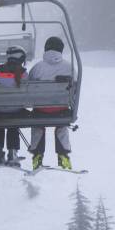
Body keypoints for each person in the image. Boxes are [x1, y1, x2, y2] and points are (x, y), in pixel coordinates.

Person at [27, 36, 74, 170]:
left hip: (41, 110)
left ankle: (37, 156)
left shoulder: (37, 68)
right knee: (61, 126)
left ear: (46, 49)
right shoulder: (69, 67)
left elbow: (29, 88)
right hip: (61, 110)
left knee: (38, 126)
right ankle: (63, 156)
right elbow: (74, 87)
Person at [0, 45, 27, 164]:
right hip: (16, 110)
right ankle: (13, 151)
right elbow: (28, 92)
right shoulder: (23, 73)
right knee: (13, 124)